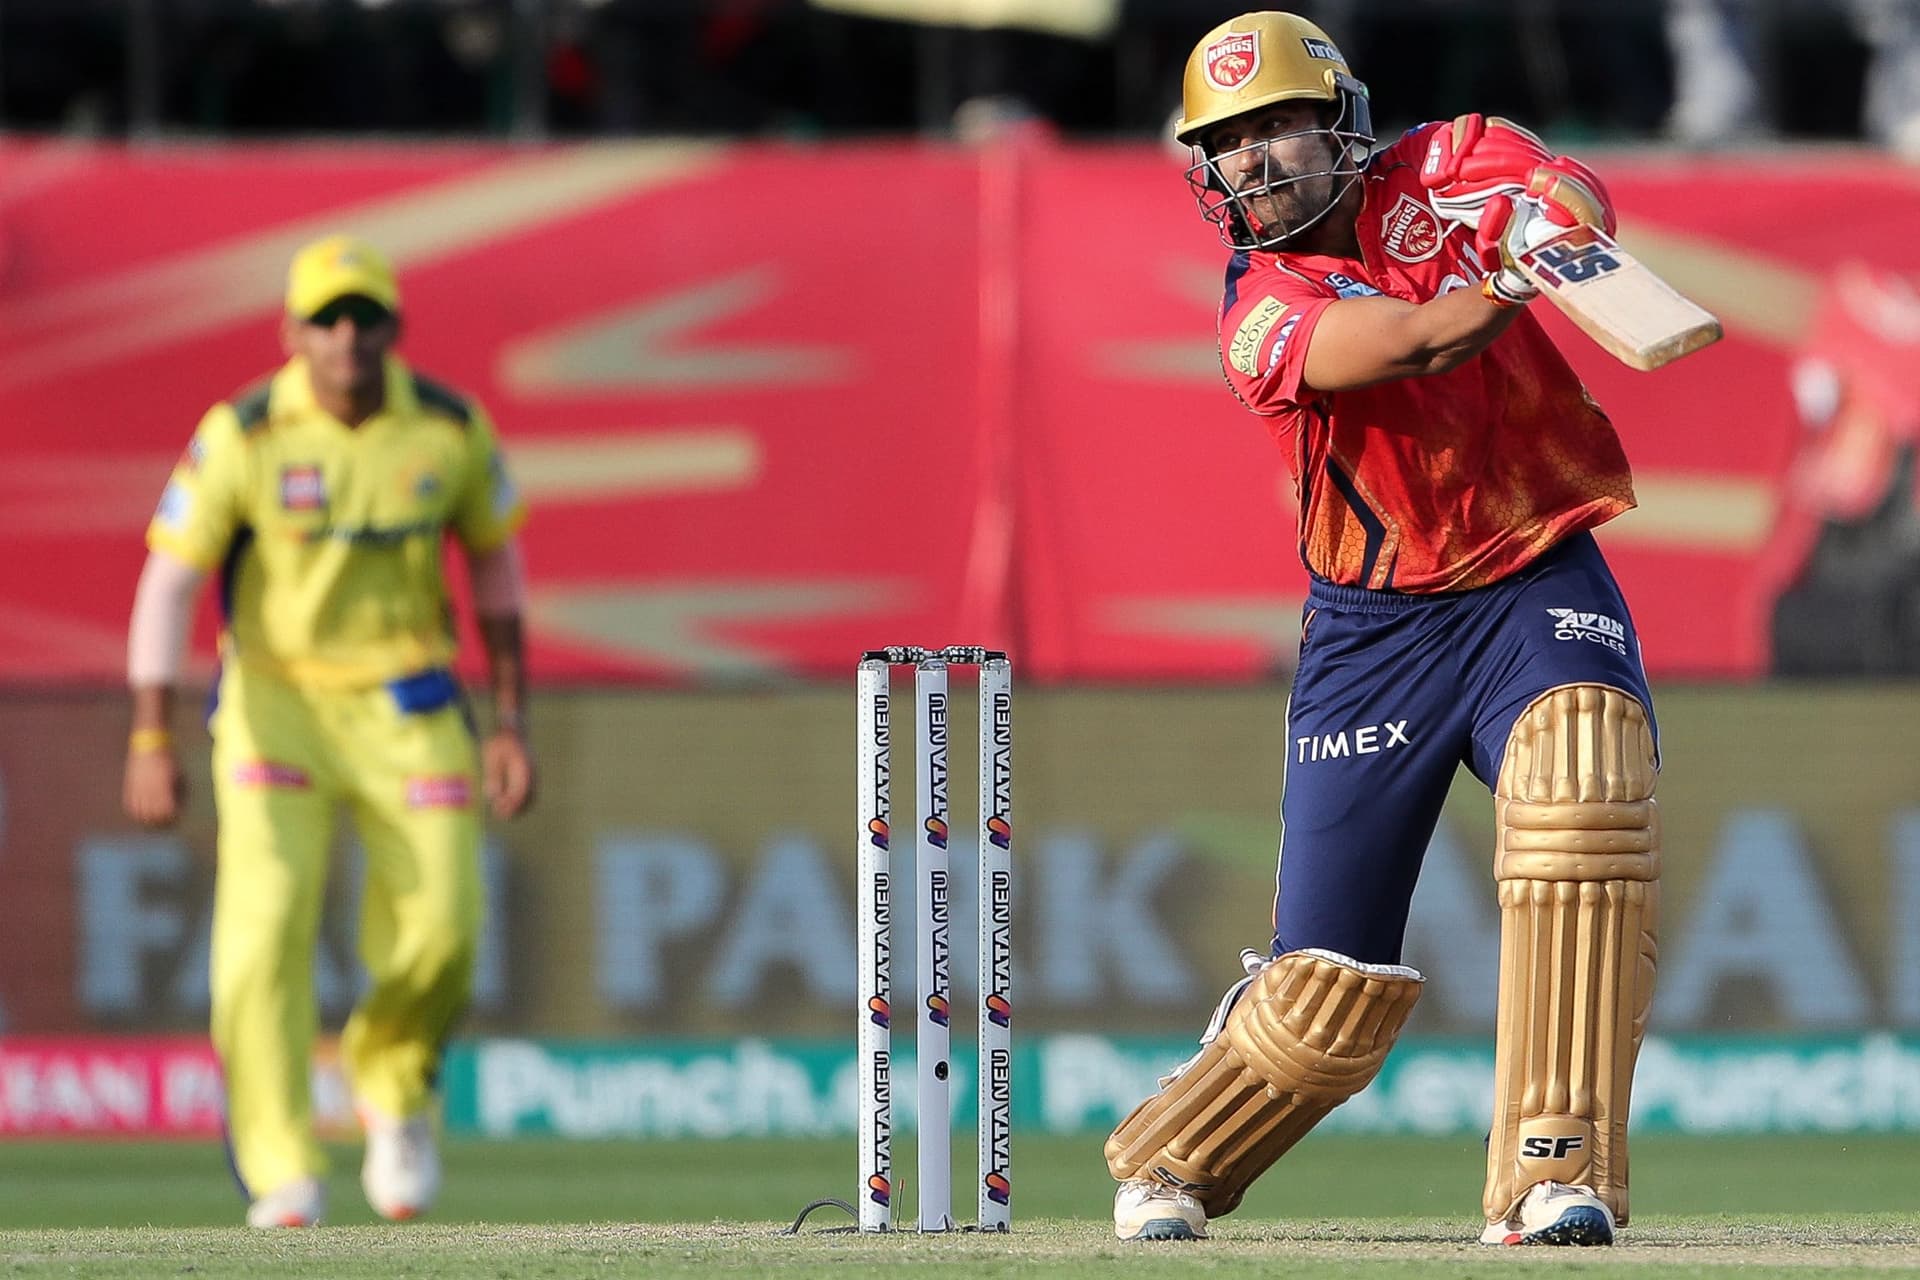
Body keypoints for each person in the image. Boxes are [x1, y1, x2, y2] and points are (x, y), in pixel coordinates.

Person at [1104, 13, 1660, 1248]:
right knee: (1322, 1001)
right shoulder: (1258, 310)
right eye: (1226, 145)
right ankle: (1171, 1149)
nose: (1251, 163)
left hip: (1530, 577)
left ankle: (1550, 1174)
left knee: (1586, 785)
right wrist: (1510, 274)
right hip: (1375, 638)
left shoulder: (1448, 162)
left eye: (1273, 130)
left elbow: (1566, 187)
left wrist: (1553, 220)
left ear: (1337, 123)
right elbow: (1413, 338)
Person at [120, 235, 536, 1228]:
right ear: (293, 331)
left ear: (394, 327)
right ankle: (282, 1167)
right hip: (276, 708)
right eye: (326, 319)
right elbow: (170, 581)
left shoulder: (447, 429)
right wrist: (150, 735)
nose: (346, 338)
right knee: (262, 935)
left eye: (364, 318)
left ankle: (390, 1088)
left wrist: (512, 721)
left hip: (409, 701)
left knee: (445, 923)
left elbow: (497, 574)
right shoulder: (246, 433)